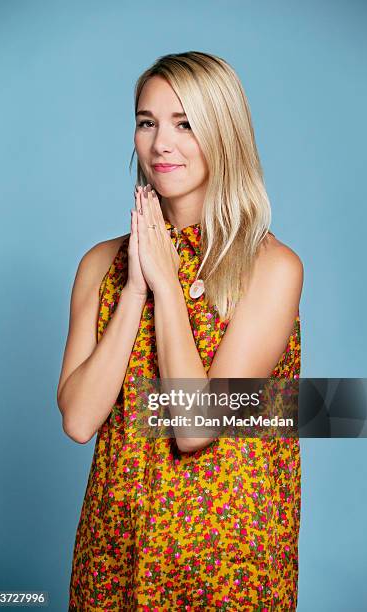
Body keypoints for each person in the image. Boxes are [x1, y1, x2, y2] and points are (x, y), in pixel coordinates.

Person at [57, 51, 303, 611]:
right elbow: (78, 419)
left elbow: (195, 429)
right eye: (148, 122)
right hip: (114, 544)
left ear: (224, 132)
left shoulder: (270, 268)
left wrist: (167, 287)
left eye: (185, 122)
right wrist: (135, 290)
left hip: (225, 559)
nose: (161, 143)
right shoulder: (101, 264)